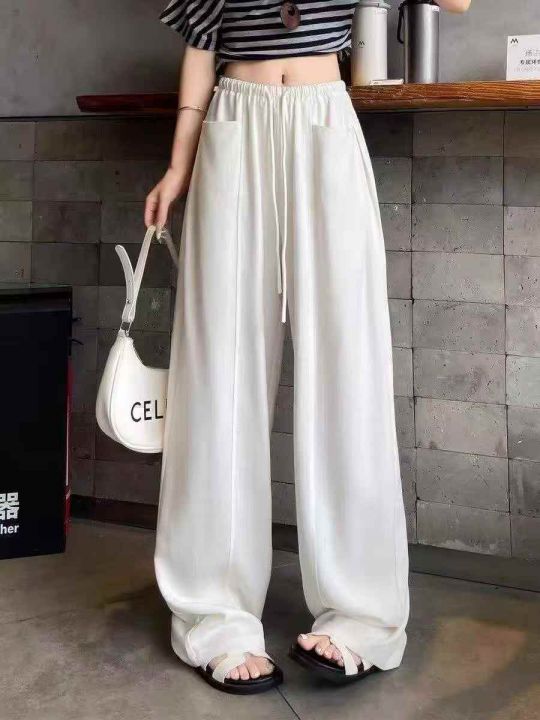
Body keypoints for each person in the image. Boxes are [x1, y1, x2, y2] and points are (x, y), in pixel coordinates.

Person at [146, 0, 472, 696]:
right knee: (218, 369)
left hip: (325, 119)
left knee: (348, 366)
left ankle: (361, 614)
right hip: (233, 125)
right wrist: (179, 165)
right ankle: (214, 615)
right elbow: (201, 44)